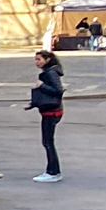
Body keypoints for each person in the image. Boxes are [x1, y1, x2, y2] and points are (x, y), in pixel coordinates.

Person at [29, 50, 65, 180]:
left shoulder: (50, 73)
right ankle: (53, 171)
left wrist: (42, 86)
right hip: (50, 110)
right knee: (47, 141)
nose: (36, 62)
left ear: (47, 59)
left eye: (39, 59)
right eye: (36, 59)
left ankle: (52, 172)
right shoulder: (50, 72)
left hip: (51, 111)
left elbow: (58, 90)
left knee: (48, 142)